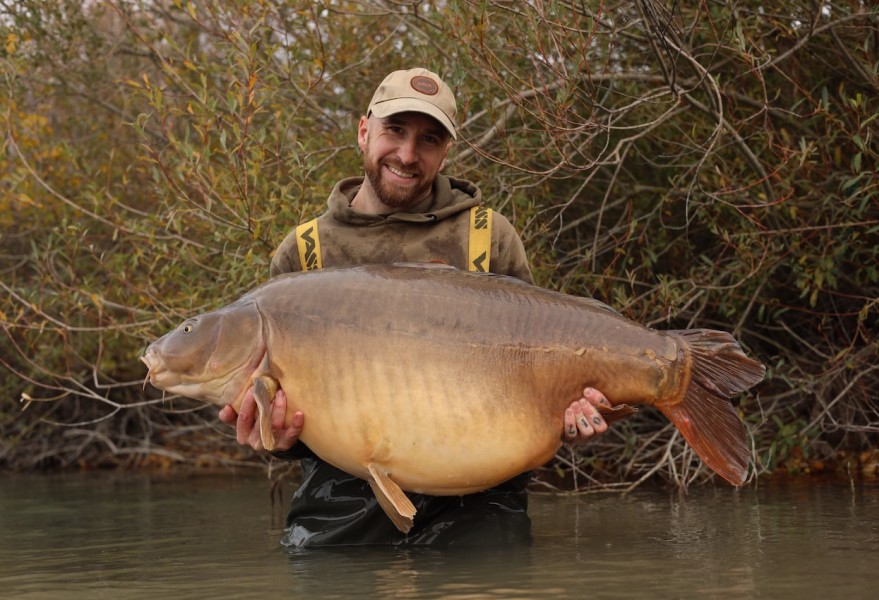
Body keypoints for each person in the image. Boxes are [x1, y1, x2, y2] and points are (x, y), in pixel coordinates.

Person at [218, 67, 612, 547]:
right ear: (364, 131)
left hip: (479, 501)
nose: (407, 155)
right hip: (341, 502)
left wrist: (572, 411)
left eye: (428, 139)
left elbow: (540, 369)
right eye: (395, 131)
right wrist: (274, 439)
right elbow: (290, 419)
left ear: (446, 151)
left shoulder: (488, 235)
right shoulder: (305, 252)